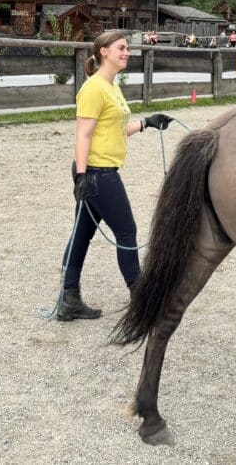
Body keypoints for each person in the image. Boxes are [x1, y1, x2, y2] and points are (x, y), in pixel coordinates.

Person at [59, 31, 174, 321]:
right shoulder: (94, 88)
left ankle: (68, 299)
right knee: (126, 232)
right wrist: (82, 176)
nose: (127, 53)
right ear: (104, 52)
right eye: (121, 48)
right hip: (98, 174)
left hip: (98, 172)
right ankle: (142, 302)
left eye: (127, 49)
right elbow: (83, 134)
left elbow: (115, 129)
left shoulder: (112, 87)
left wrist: (147, 123)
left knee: (81, 236)